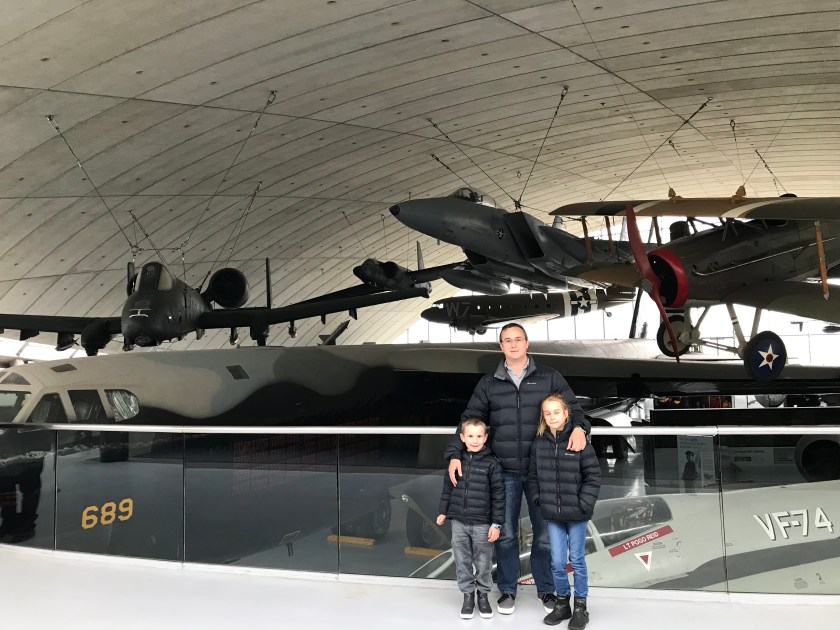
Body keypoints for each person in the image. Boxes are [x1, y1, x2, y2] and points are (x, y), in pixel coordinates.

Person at [446, 322, 590, 615]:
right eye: (507, 340)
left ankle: (546, 590)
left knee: (545, 535)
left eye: (518, 339)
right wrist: (454, 453)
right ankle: (508, 590)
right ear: (501, 346)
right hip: (504, 471)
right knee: (506, 534)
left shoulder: (549, 376)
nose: (513, 344)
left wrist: (580, 429)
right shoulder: (489, 383)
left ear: (527, 343)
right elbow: (469, 419)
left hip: (543, 471)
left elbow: (574, 410)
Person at [528, 394, 601, 629]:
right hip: (553, 514)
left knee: (577, 560)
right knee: (557, 562)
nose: (552, 417)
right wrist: (540, 499)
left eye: (556, 412)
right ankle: (562, 603)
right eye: (547, 413)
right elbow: (533, 475)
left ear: (566, 413)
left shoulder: (579, 440)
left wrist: (584, 504)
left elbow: (593, 476)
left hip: (577, 513)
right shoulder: (539, 443)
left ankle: (580, 606)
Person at [436, 418, 505, 620]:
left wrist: (496, 524)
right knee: (462, 560)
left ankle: (483, 595)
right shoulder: (456, 463)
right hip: (458, 521)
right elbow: (447, 490)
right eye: (470, 436)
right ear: (462, 438)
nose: (475, 440)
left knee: (483, 562)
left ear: (485, 438)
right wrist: (443, 512)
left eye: (479, 436)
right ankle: (468, 596)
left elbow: (499, 496)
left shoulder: (492, 464)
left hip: (483, 523)